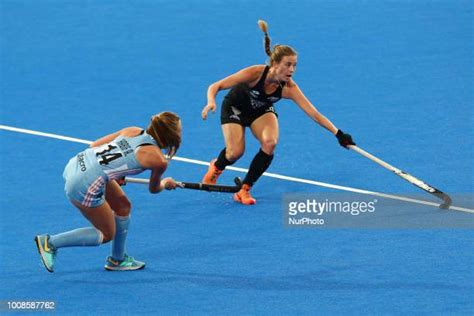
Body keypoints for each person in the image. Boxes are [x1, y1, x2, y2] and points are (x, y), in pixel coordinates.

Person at [201, 20, 355, 205]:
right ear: (274, 63)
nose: (292, 70)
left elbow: (314, 113)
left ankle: (244, 189)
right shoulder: (255, 73)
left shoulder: (289, 88)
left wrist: (338, 133)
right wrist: (211, 101)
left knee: (270, 142)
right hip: (235, 107)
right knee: (235, 153)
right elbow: (216, 85)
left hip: (261, 110)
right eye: (288, 65)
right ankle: (217, 167)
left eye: (294, 65)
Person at [34, 112, 182, 272]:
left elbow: (95, 146)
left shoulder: (133, 130)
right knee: (106, 233)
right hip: (83, 184)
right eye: (179, 131)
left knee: (123, 206)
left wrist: (117, 172)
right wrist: (165, 183)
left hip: (78, 162)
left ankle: (117, 260)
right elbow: (154, 189)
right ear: (170, 135)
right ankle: (50, 243)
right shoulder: (158, 160)